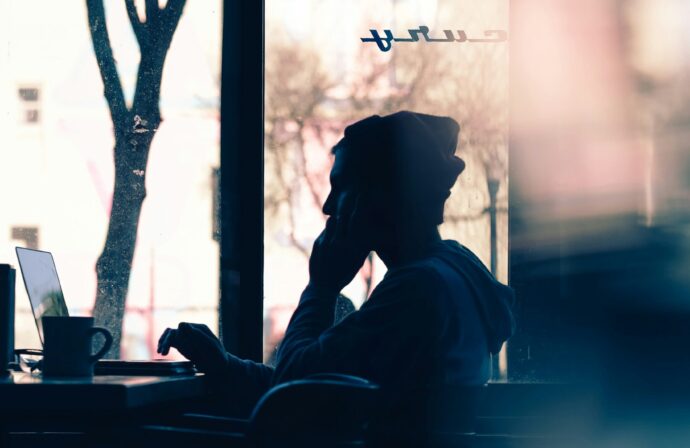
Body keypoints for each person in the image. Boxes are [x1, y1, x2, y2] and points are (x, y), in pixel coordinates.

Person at [158, 111, 515, 416]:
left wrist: (322, 287)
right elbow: (316, 378)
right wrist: (224, 365)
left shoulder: (416, 290)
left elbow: (291, 391)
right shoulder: (452, 271)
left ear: (381, 195)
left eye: (341, 187)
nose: (329, 206)